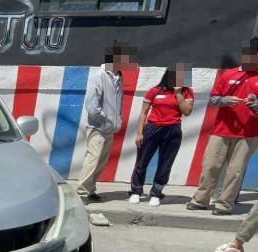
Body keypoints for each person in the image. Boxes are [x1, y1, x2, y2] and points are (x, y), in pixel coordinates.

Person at [187, 38, 258, 215]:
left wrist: (256, 105)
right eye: (246, 55)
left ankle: (224, 205)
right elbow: (212, 99)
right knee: (210, 165)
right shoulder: (229, 74)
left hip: (248, 134)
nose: (248, 58)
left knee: (235, 171)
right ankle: (200, 200)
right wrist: (225, 101)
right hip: (221, 130)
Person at [77, 41, 135, 202]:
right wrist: (104, 120)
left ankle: (90, 189)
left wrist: (117, 120)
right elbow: (91, 104)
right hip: (98, 127)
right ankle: (81, 193)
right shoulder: (99, 75)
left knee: (101, 162)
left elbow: (119, 102)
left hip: (110, 127)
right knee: (93, 159)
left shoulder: (118, 77)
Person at [128, 64, 194, 206]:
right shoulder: (155, 91)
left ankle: (156, 193)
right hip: (152, 129)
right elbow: (143, 113)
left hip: (173, 130)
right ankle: (136, 191)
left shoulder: (187, 92)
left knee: (165, 164)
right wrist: (139, 133)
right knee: (142, 161)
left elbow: (187, 111)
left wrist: (178, 94)